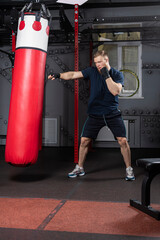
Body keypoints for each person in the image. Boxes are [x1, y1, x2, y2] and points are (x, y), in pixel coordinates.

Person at [48, 50, 135, 181]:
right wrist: (59, 75)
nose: (98, 65)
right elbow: (73, 74)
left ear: (106, 60)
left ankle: (129, 169)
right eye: (96, 63)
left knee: (122, 141)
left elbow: (115, 91)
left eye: (100, 62)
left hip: (112, 114)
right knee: (84, 141)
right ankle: (80, 168)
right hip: (95, 114)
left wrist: (106, 76)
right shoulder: (92, 71)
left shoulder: (117, 74)